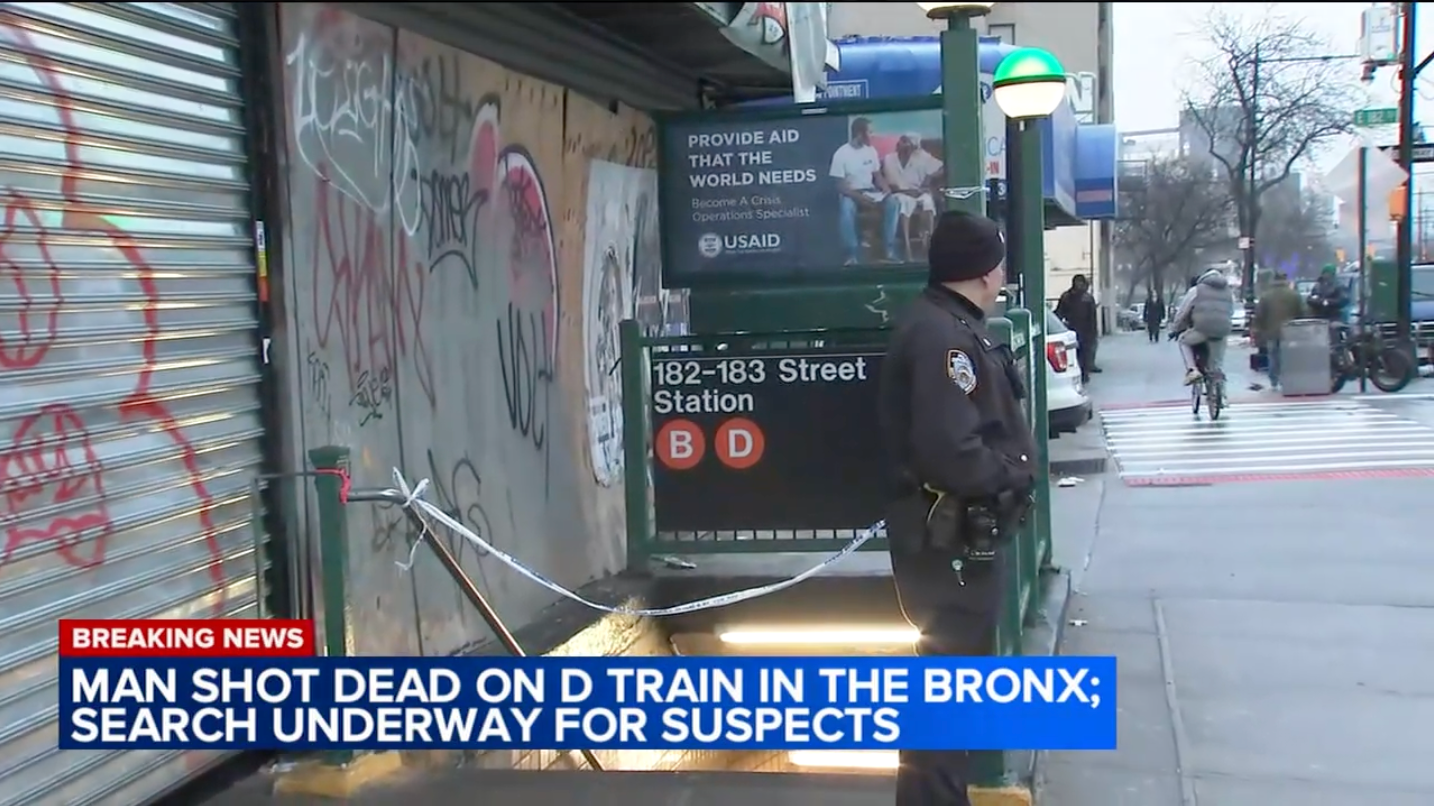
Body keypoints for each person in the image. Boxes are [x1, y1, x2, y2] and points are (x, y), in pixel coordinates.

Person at [878, 210, 1037, 806]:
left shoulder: (944, 326)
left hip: (953, 540)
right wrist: (1012, 474)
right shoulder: (944, 338)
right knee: (946, 692)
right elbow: (951, 450)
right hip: (949, 545)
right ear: (987, 272)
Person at [830, 117, 900, 265]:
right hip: (852, 193)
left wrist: (885, 189)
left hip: (871, 191)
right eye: (870, 132)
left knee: (893, 202)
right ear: (860, 134)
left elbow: (877, 175)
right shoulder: (841, 153)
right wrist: (860, 198)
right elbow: (840, 186)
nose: (873, 135)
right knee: (846, 207)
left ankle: (889, 250)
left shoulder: (871, 151)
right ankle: (851, 254)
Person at [882, 132, 944, 259]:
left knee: (927, 201)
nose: (901, 144)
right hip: (900, 193)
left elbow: (942, 167)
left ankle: (928, 241)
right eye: (901, 141)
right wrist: (909, 192)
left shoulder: (921, 157)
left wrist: (929, 177)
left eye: (906, 142)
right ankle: (907, 245)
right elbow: (893, 186)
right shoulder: (889, 159)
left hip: (918, 192)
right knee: (904, 203)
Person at [1170, 269, 1235, 386]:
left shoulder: (1196, 290)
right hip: (1222, 330)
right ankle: (1220, 394)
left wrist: (1175, 329)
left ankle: (1192, 370)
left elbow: (1182, 311)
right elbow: (1231, 311)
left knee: (1183, 341)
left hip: (1202, 329)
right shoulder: (1228, 292)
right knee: (1216, 366)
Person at [1251, 272, 1305, 390]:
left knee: (1273, 356)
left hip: (1271, 331)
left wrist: (1258, 330)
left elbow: (1260, 315)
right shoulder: (1294, 295)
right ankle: (1287, 378)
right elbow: (1301, 313)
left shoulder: (1266, 296)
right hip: (1290, 331)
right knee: (1288, 356)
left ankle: (1274, 380)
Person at [1055, 274, 1100, 382]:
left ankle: (1084, 374)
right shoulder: (1067, 297)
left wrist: (1093, 332)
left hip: (1085, 331)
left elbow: (1092, 317)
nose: (1079, 285)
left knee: (1084, 354)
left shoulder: (1087, 298)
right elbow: (1060, 312)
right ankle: (1081, 374)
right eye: (1077, 282)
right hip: (1072, 329)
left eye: (1081, 283)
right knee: (1075, 354)